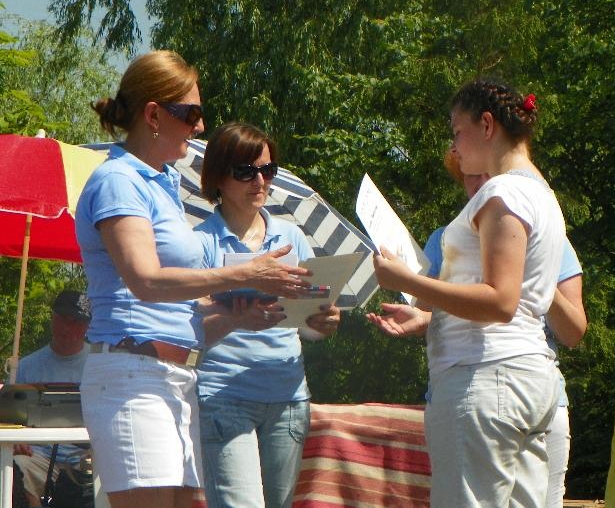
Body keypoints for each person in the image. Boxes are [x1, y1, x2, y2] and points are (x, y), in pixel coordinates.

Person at [75, 50, 311, 508]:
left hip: (173, 377)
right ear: (153, 116)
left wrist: (237, 315)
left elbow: (179, 303)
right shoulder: (119, 180)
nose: (200, 127)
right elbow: (146, 281)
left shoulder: (160, 184)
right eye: (191, 114)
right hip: (134, 376)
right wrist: (248, 272)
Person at [367, 78, 566, 507]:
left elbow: (501, 301)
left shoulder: (504, 191)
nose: (455, 147)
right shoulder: (542, 195)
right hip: (524, 380)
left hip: (486, 379)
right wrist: (429, 315)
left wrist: (405, 281)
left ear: (487, 125)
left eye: (458, 132)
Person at [424, 150, 588, 507]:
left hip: (528, 390)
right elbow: (430, 313)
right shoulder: (446, 239)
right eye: (469, 176)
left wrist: (532, 275)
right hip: (463, 382)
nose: (478, 184)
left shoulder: (544, 230)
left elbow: (574, 332)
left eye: (485, 174)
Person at [193, 123, 341, 508]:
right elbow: (190, 332)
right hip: (224, 396)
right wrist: (235, 318)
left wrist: (323, 322)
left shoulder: (292, 238)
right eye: (246, 171)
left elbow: (307, 324)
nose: (259, 181)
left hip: (288, 396)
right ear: (218, 177)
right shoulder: (200, 243)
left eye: (267, 170)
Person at [12, 290, 91, 508]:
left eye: (75, 322)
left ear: (87, 326)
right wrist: (16, 439)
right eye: (63, 319)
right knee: (11, 469)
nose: (67, 327)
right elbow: (11, 419)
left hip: (88, 458)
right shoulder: (26, 367)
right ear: (52, 318)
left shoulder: (100, 365)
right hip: (38, 457)